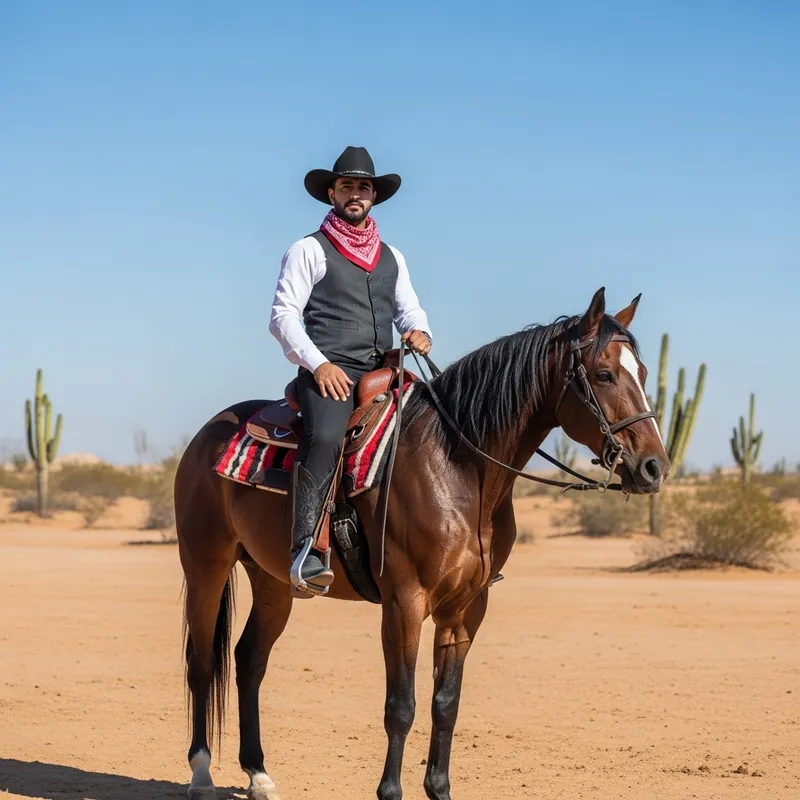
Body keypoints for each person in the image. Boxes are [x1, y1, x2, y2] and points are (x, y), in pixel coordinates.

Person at [269, 145, 433, 591]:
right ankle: (307, 547)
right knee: (323, 437)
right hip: (330, 372)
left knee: (438, 426)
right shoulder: (308, 250)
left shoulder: (392, 256)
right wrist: (319, 365)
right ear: (331, 193)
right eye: (347, 186)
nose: (356, 193)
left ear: (374, 196)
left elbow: (410, 310)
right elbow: (283, 316)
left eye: (364, 187)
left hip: (383, 370)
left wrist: (420, 332)